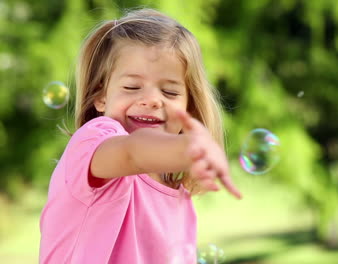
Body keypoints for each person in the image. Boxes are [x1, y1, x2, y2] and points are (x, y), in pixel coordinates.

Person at [39, 8, 242, 264]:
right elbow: (133, 151)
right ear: (101, 96)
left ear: (189, 108)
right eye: (132, 87)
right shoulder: (93, 146)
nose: (152, 100)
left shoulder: (179, 201)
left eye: (169, 92)